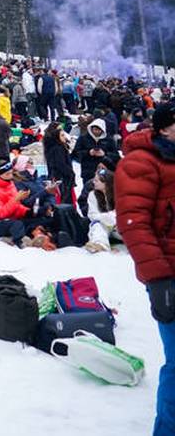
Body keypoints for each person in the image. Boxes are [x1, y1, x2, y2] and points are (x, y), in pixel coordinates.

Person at [116, 103, 175, 434]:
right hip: (168, 274)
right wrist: (158, 280)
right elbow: (134, 224)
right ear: (166, 128)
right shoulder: (141, 162)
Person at [0, 158, 52, 248]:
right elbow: (1, 213)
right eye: (7, 174)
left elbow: (16, 208)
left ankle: (42, 236)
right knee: (16, 224)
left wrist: (32, 212)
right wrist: (16, 199)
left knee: (36, 219)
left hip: (6, 219)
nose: (11, 176)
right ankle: (21, 242)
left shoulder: (8, 184)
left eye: (11, 173)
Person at [74, 118, 121, 212]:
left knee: (105, 193)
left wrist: (104, 154)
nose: (96, 132)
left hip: (105, 173)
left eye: (98, 130)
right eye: (94, 129)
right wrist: (88, 152)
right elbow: (75, 154)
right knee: (88, 192)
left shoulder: (109, 140)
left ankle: (106, 210)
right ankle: (88, 211)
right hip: (88, 171)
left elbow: (116, 156)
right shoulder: (83, 138)